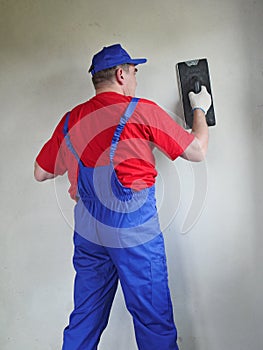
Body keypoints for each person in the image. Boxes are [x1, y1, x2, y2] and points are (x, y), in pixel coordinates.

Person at [34, 43, 211, 350]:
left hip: (88, 227)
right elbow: (197, 150)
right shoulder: (142, 110)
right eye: (134, 72)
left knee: (85, 317)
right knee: (152, 317)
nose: (135, 79)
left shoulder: (70, 120)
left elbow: (40, 172)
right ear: (120, 74)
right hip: (133, 227)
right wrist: (199, 109)